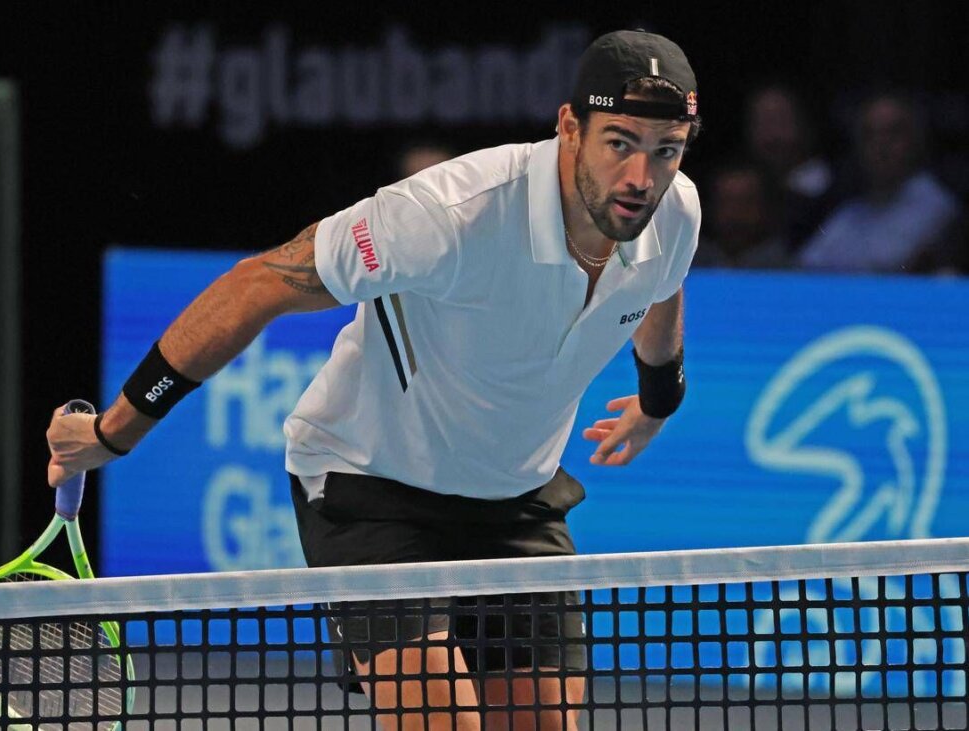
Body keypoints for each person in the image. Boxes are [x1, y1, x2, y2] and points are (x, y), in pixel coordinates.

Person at [46, 29, 702, 731]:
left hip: (517, 496)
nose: (642, 177)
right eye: (620, 143)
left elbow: (660, 282)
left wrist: (659, 398)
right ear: (569, 127)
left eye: (666, 150)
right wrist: (114, 431)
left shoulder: (672, 212)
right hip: (373, 487)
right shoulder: (450, 214)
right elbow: (256, 284)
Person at [798, 92, 962, 273]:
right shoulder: (852, 210)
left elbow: (889, 263)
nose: (881, 144)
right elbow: (806, 264)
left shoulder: (935, 204)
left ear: (916, 140)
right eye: (870, 134)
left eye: (893, 132)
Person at [744, 84, 835, 249]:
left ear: (804, 124)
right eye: (762, 123)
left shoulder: (830, 190)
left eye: (780, 122)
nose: (772, 136)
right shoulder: (751, 189)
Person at [694, 161, 791, 269]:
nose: (735, 213)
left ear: (765, 207)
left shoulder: (788, 266)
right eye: (727, 202)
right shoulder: (688, 260)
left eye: (746, 202)